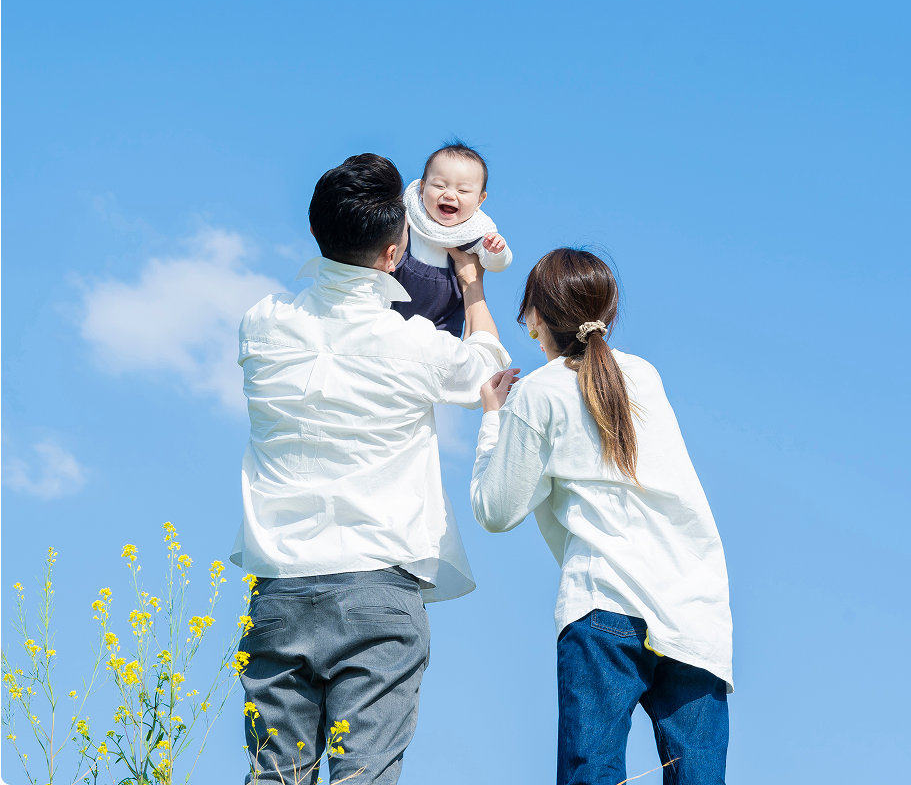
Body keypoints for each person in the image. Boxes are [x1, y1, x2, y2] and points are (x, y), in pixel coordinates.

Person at [229, 153, 513, 785]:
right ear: (394, 256)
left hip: (278, 583)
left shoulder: (262, 323)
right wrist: (471, 285)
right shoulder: (411, 343)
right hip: (378, 580)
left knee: (274, 777)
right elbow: (487, 366)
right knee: (365, 777)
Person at [471, 248, 732, 785]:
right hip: (694, 607)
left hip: (604, 602)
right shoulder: (644, 377)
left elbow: (495, 511)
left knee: (591, 775)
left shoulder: (538, 394)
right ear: (608, 314)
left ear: (535, 318)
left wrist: (494, 421)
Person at [392, 141, 512, 336]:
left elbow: (495, 265)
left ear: (480, 201)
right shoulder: (412, 215)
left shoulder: (474, 231)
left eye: (463, 190)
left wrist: (497, 251)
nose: (449, 194)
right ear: (421, 189)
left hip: (441, 324)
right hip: (392, 309)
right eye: (439, 185)